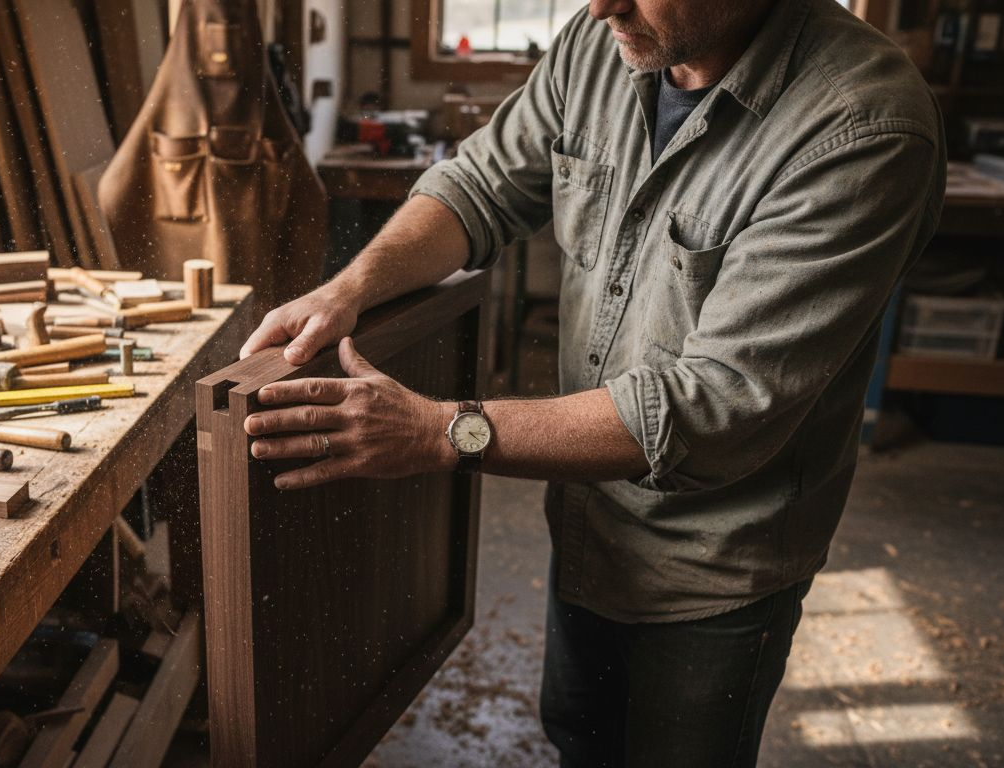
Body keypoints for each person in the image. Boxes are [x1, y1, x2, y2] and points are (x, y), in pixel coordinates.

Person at [238, 0, 946, 764]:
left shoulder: (863, 126)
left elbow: (715, 404)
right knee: (581, 739)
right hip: (588, 519)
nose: (602, 5)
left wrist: (440, 431)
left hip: (714, 567)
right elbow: (479, 187)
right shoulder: (605, 40)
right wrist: (349, 289)